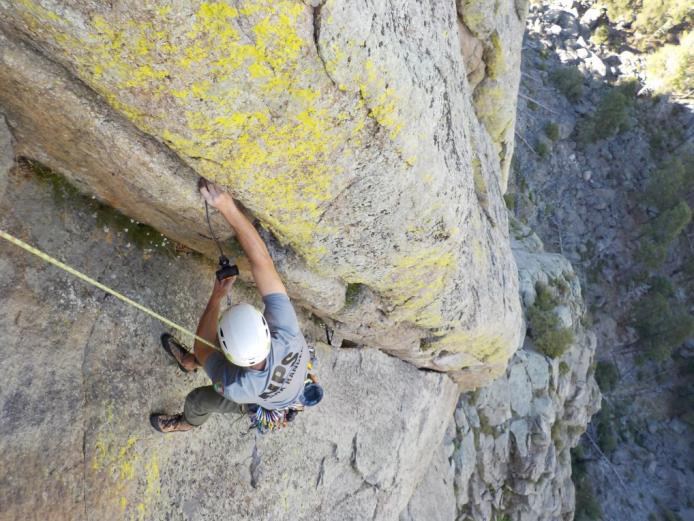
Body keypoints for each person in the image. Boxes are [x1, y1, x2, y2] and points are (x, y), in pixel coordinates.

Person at [150, 180, 311, 433]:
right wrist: (227, 206)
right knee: (206, 361)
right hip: (290, 380)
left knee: (198, 400)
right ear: (267, 329)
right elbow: (264, 264)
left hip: (260, 400)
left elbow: (204, 347)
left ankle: (187, 423)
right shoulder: (287, 331)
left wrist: (217, 296)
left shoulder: (239, 388)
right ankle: (190, 364)